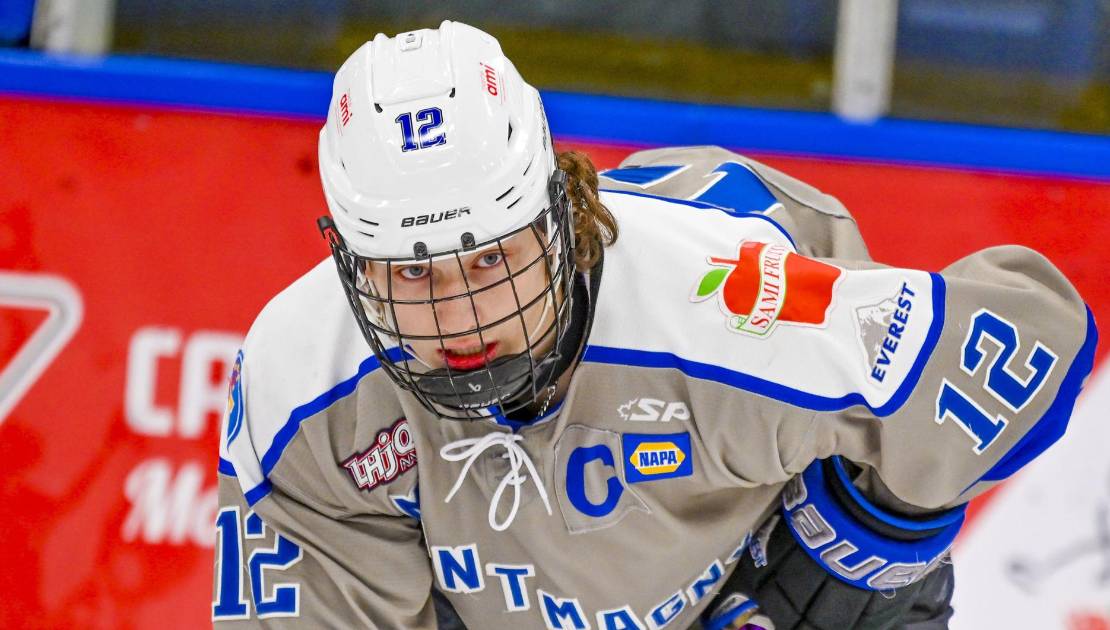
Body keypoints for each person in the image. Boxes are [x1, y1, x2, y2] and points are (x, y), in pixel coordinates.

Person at [213, 21, 1097, 630]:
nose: (461, 316)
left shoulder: (723, 307)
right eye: (413, 273)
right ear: (352, 268)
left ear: (559, 211)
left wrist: (860, 529)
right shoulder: (304, 381)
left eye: (490, 258)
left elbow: (1032, 335)